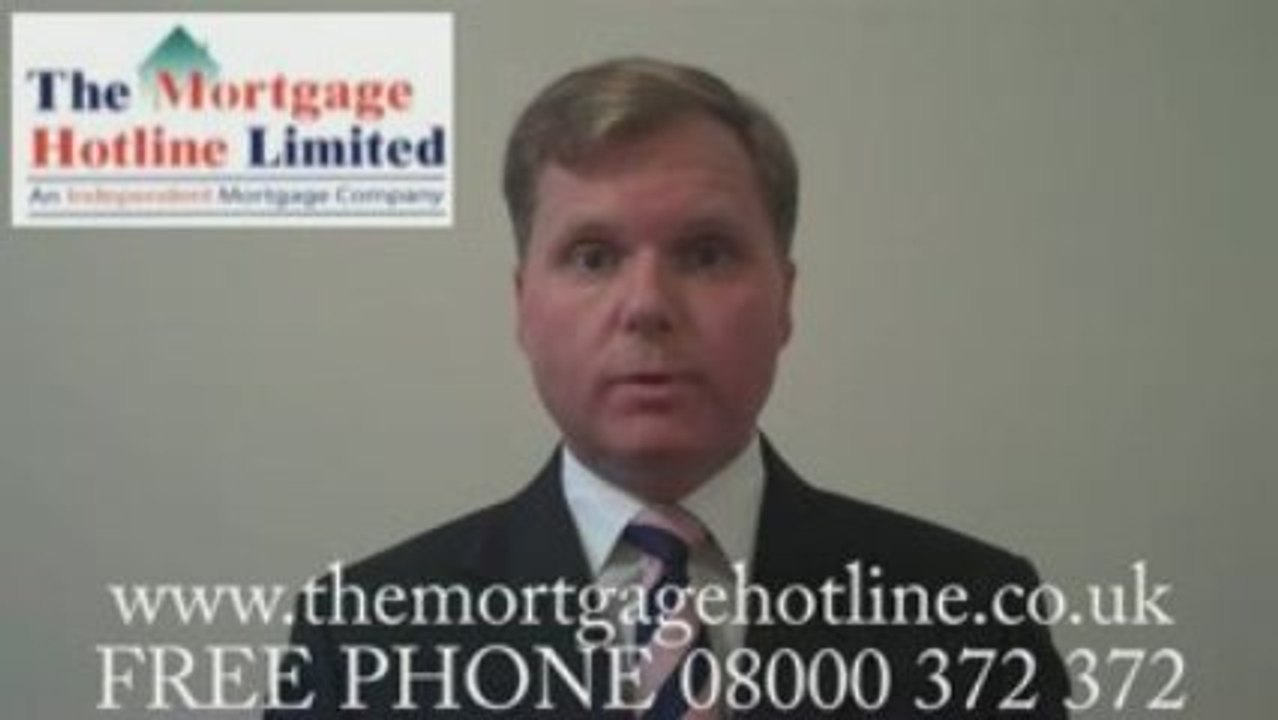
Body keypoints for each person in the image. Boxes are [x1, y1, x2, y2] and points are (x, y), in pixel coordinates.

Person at [266, 57, 1069, 718]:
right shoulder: (360, 635)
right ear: (523, 305)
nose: (647, 305)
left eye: (706, 253)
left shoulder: (975, 615)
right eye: (592, 256)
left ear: (785, 300)